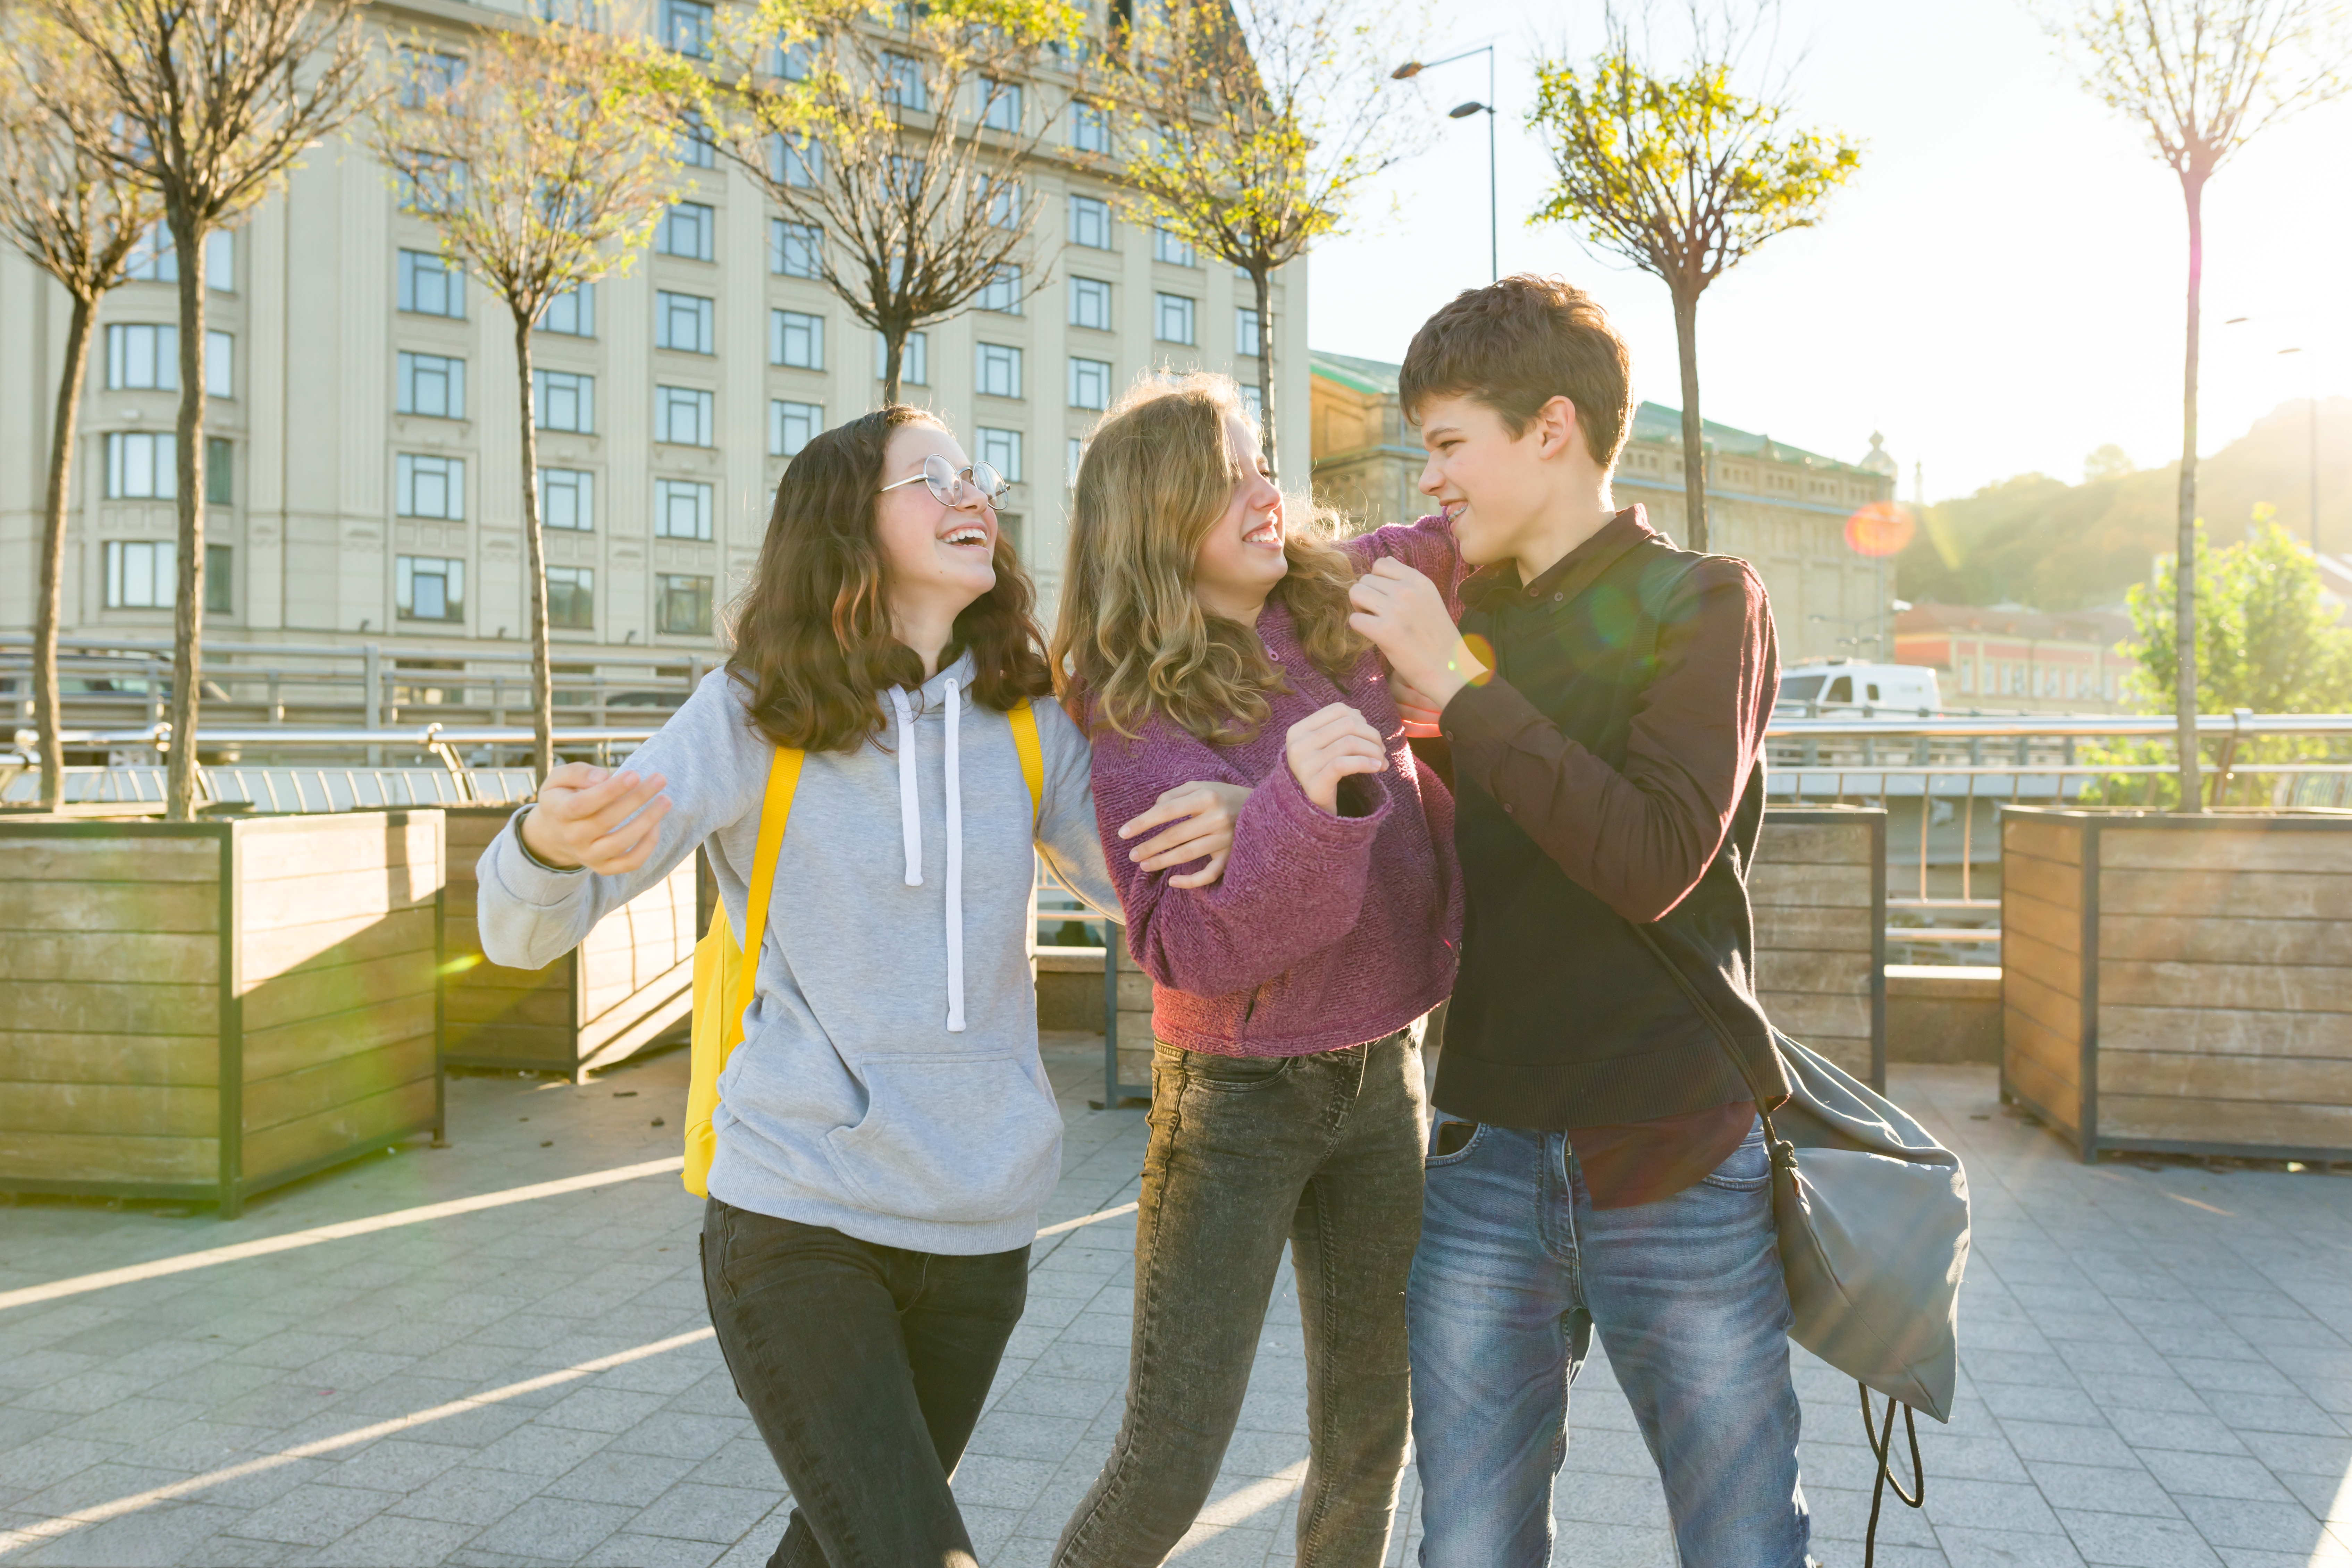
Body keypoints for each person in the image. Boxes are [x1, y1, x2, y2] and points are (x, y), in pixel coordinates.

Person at [473, 406, 1247, 1568]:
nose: (970, 496)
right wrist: (539, 841)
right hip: (800, 1215)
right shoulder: (753, 712)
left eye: (975, 475)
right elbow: (525, 933)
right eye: (927, 478)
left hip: (983, 1225)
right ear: (846, 523)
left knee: (833, 1549)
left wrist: (1251, 810)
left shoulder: (1028, 720)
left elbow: (1155, 885)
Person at [1344, 275, 1806, 1566]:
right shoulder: (1467, 612)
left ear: (1550, 429)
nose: (1429, 478)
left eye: (1447, 443)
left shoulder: (1705, 603)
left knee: (1742, 1542)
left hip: (1674, 1146)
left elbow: (1651, 856)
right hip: (1485, 1144)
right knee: (1469, 1549)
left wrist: (1452, 684)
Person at [1047, 373, 1465, 1568]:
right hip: (1236, 1101)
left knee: (1369, 1432)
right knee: (1171, 1456)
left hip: (1388, 1074)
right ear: (1155, 516)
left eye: (1262, 465)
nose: (1266, 494)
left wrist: (1267, 809)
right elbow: (1191, 949)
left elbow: (1475, 521)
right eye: (1227, 478)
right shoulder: (1127, 703)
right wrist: (1296, 798)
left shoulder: (1340, 596)